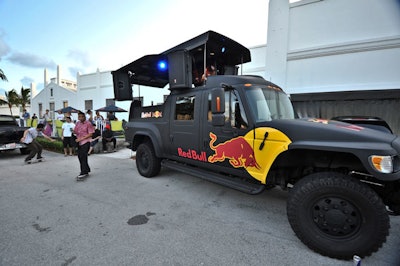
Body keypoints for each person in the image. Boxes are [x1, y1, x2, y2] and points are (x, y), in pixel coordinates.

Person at [74, 111, 94, 180]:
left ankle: (83, 172)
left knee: (83, 156)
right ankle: (87, 169)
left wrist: (81, 138)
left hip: (86, 141)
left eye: (82, 116)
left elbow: (91, 134)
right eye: (79, 116)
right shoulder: (77, 123)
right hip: (79, 142)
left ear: (85, 117)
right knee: (80, 156)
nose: (81, 118)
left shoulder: (88, 123)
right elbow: (75, 131)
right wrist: (73, 131)